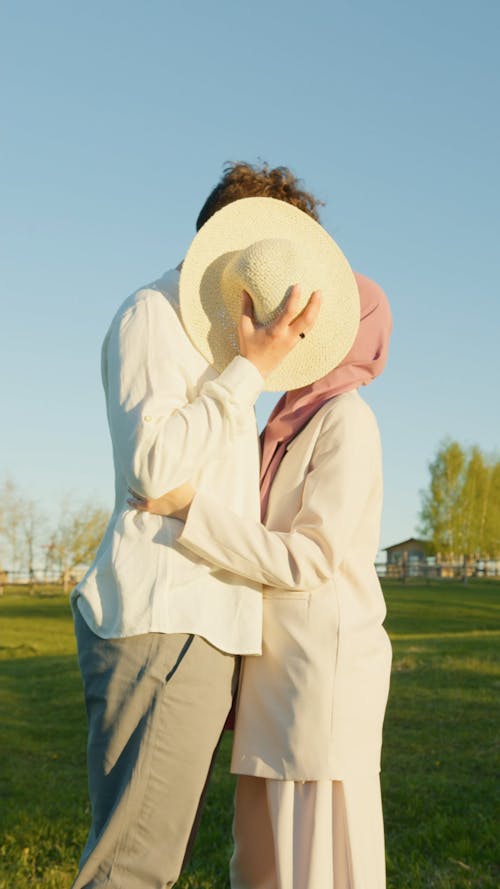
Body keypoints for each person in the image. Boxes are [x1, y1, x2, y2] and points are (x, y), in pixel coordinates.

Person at [70, 162, 322, 889]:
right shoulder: (154, 313)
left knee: (145, 859)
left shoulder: (215, 346)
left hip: (197, 628)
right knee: (132, 869)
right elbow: (150, 467)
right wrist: (245, 373)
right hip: (163, 620)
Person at [128, 197, 393, 888]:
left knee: (317, 864)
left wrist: (191, 510)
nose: (297, 333)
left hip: (318, 682)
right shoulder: (284, 424)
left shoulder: (346, 422)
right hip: (275, 680)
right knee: (263, 862)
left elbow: (310, 558)